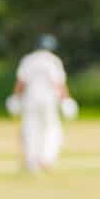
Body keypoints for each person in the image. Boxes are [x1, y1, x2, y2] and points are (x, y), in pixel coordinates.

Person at [13, 34, 73, 173]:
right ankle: (45, 159)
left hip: (30, 101)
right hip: (48, 101)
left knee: (30, 130)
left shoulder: (28, 60)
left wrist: (16, 98)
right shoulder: (53, 61)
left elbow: (21, 83)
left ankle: (31, 161)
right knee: (52, 129)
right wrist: (66, 100)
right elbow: (58, 84)